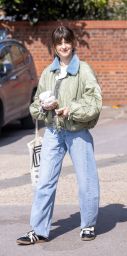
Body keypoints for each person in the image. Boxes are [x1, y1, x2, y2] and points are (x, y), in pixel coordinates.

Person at [16, 25, 102, 245]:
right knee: (44, 181)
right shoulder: (48, 72)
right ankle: (39, 230)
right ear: (53, 47)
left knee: (86, 180)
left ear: (73, 43)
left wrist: (70, 109)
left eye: (67, 42)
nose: (63, 46)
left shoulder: (84, 70)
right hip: (54, 131)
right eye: (59, 43)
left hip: (77, 131)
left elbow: (94, 104)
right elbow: (34, 107)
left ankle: (88, 224)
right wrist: (44, 108)